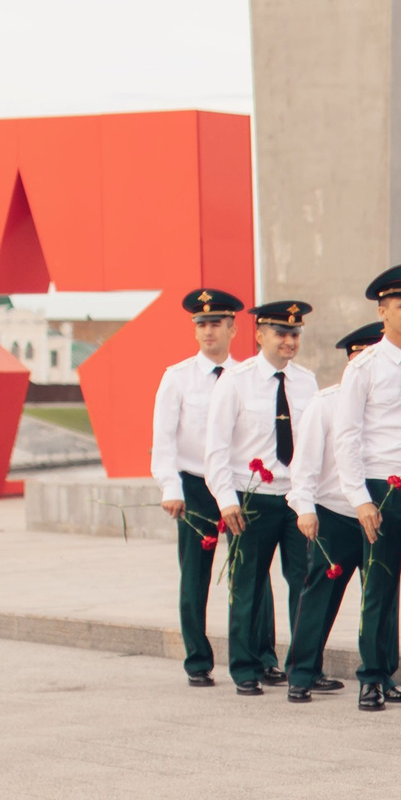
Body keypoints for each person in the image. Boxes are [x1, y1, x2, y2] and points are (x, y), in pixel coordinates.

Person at [331, 263, 401, 712]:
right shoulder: (364, 367)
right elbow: (347, 436)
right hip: (385, 489)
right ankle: (373, 677)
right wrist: (359, 498)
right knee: (379, 588)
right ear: (383, 311)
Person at [203, 299, 317, 696]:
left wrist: (311, 498)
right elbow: (215, 447)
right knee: (247, 586)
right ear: (260, 335)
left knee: (306, 583)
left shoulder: (307, 382)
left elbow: (312, 446)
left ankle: (304, 667)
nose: (289, 341)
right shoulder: (235, 381)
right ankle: (245, 667)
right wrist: (226, 500)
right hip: (250, 499)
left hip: (294, 498)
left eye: (294, 334)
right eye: (281, 334)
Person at [281, 322, 384, 699]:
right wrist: (304, 508)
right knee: (320, 598)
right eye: (364, 358)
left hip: (377, 513)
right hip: (335, 514)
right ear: (352, 361)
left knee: (380, 599)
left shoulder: (393, 404)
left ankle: (381, 677)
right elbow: (303, 466)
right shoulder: (326, 404)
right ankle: (302, 674)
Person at [150, 287, 242, 687]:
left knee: (248, 574)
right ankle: (197, 660)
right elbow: (163, 439)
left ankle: (260, 654)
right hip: (195, 485)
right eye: (201, 324)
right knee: (195, 576)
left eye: (216, 323)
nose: (208, 332)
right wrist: (171, 487)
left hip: (240, 485)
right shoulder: (177, 378)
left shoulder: (246, 376)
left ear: (232, 328)